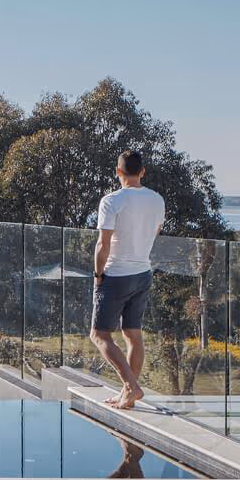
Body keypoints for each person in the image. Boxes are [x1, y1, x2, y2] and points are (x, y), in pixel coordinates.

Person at [90, 149, 165, 410]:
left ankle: (131, 386)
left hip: (116, 274)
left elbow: (103, 243)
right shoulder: (157, 200)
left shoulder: (112, 200)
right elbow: (153, 232)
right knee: (133, 334)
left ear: (118, 171)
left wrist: (99, 274)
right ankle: (127, 394)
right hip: (143, 273)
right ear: (142, 171)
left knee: (99, 335)